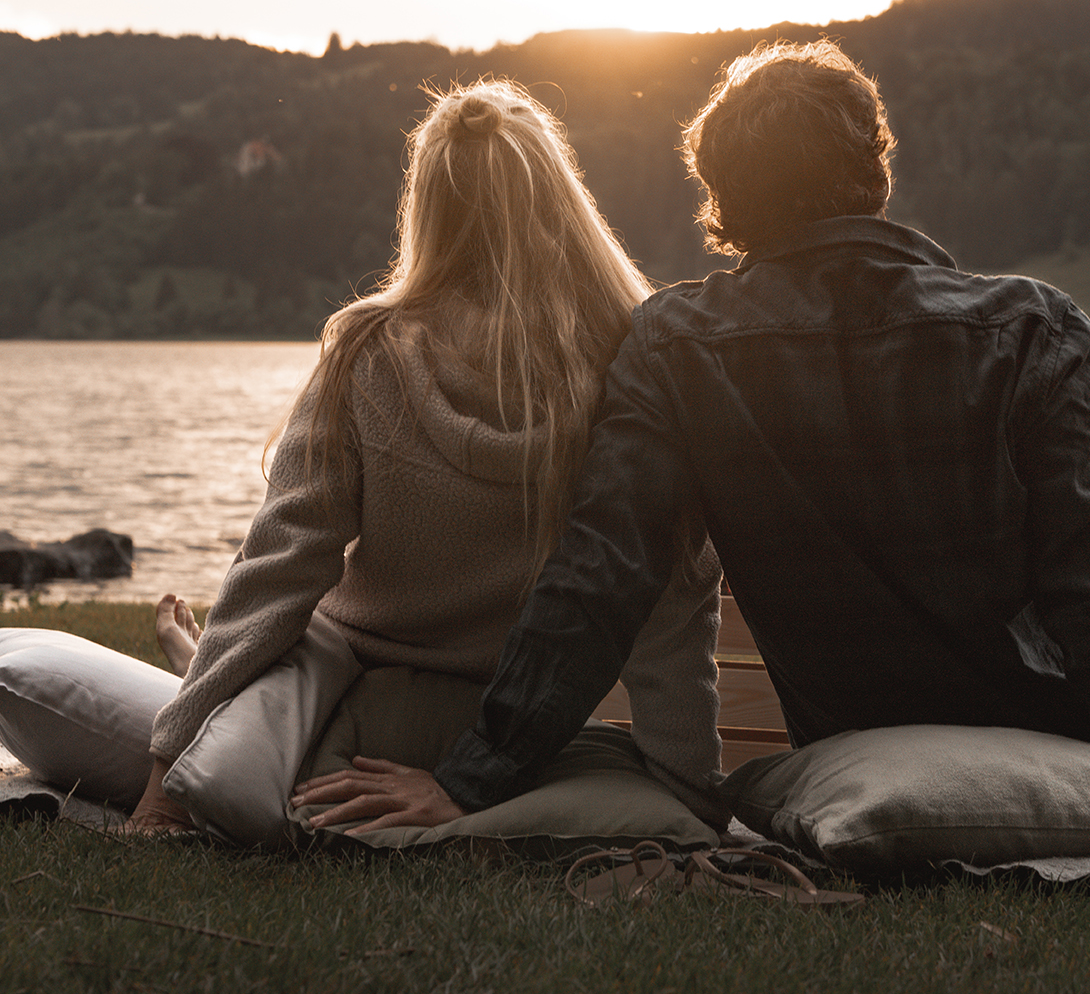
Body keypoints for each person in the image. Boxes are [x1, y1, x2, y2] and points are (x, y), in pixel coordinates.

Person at [295, 41, 1090, 832]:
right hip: (1062, 722)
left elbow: (601, 580)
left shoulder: (679, 343)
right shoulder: (1030, 324)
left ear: (721, 206)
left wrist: (469, 781)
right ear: (874, 171)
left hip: (861, 738)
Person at [126, 79, 723, 837]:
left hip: (352, 707)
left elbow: (278, 569)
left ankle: (199, 673)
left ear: (427, 209)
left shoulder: (368, 354)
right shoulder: (634, 360)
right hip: (520, 724)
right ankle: (204, 670)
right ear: (561, 198)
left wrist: (162, 776)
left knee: (216, 686)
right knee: (263, 682)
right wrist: (689, 791)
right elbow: (673, 594)